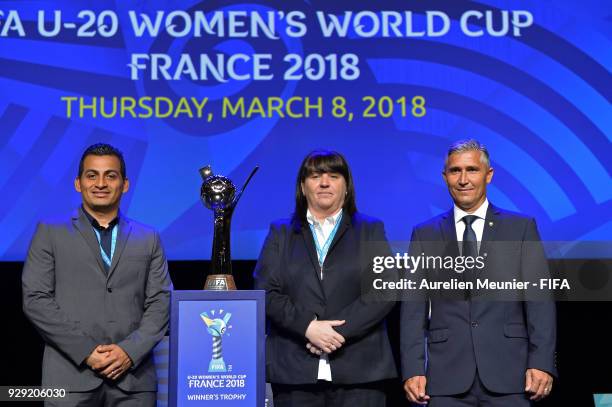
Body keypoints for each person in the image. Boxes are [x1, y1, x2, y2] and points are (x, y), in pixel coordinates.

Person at [400, 139, 557, 406]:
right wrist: (413, 369)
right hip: (445, 378)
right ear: (444, 176)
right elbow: (413, 307)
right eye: (455, 171)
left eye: (472, 170)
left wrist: (542, 361)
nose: (463, 179)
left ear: (489, 175)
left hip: (510, 374)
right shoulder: (425, 234)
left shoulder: (520, 228)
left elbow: (539, 301)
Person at [22, 143, 172, 406]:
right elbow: (36, 300)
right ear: (78, 183)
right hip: (69, 380)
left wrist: (129, 351)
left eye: (110, 175)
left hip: (134, 382)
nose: (100, 183)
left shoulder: (148, 237)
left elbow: (161, 302)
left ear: (125, 184)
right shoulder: (50, 231)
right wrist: (87, 352)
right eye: (92, 175)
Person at [254, 150, 396, 407]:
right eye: (315, 176)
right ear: (302, 186)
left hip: (361, 372)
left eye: (333, 175)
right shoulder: (281, 232)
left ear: (346, 185)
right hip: (294, 372)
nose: (324, 183)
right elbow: (266, 291)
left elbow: (384, 290)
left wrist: (333, 334)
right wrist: (308, 327)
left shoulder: (371, 230)